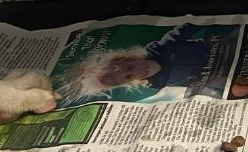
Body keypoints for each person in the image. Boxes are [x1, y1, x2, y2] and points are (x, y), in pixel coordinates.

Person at [56, 24, 229, 105]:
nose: (139, 72)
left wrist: (211, 35)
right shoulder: (157, 84)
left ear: (130, 57)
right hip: (213, 74)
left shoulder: (161, 47)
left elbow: (188, 26)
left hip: (219, 50)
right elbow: (188, 86)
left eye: (130, 67)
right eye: (129, 76)